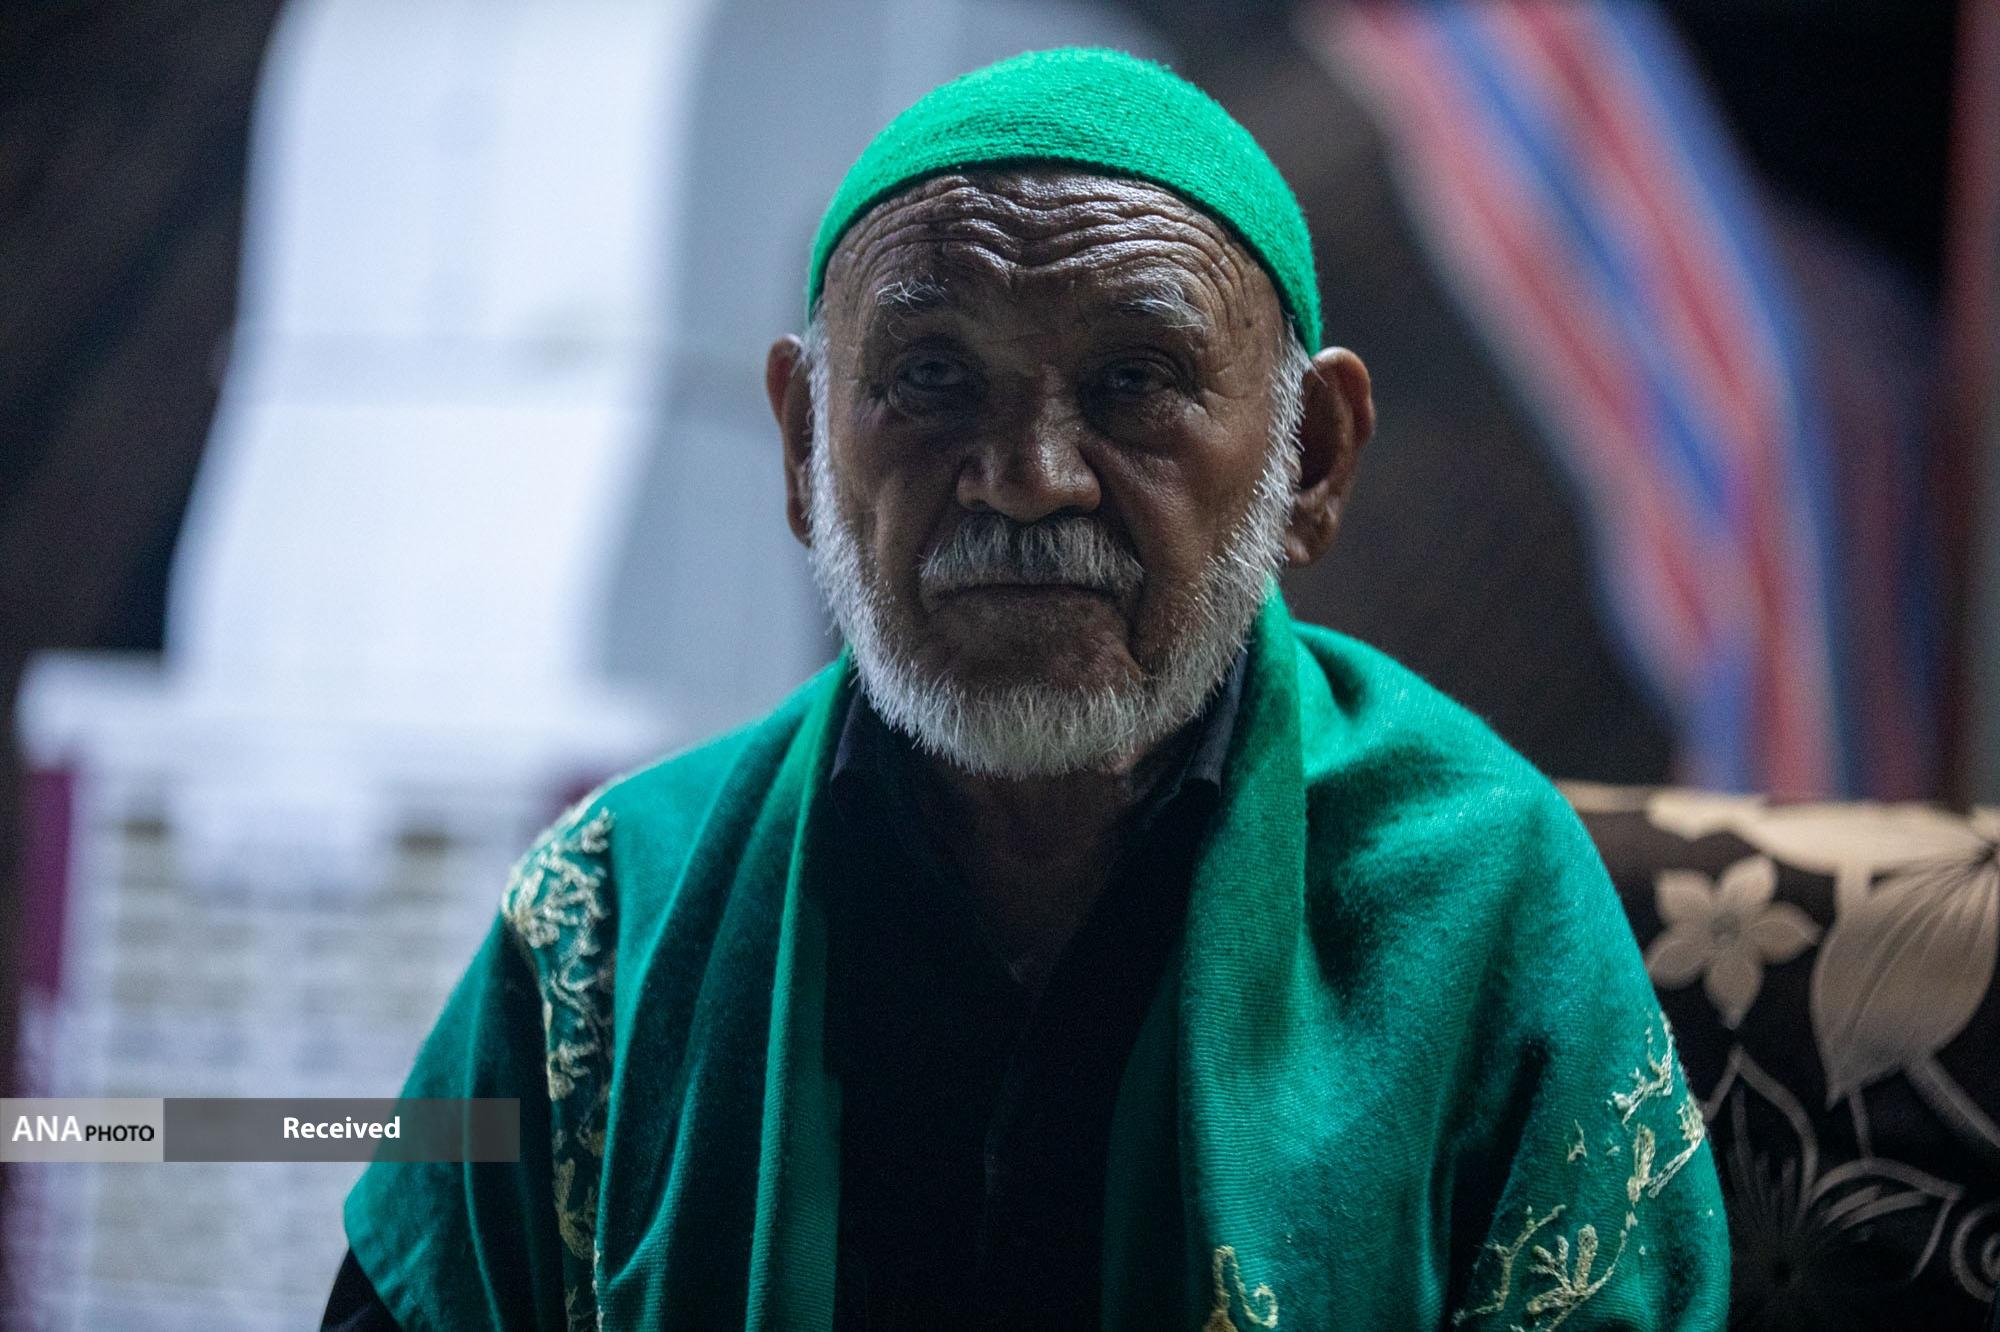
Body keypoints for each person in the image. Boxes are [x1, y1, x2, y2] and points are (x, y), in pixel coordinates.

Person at [326, 47, 1728, 1331]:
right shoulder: (606, 920)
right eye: (933, 377)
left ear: (1310, 461)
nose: (1028, 477)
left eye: (1134, 380)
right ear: (805, 449)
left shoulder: (1480, 894)